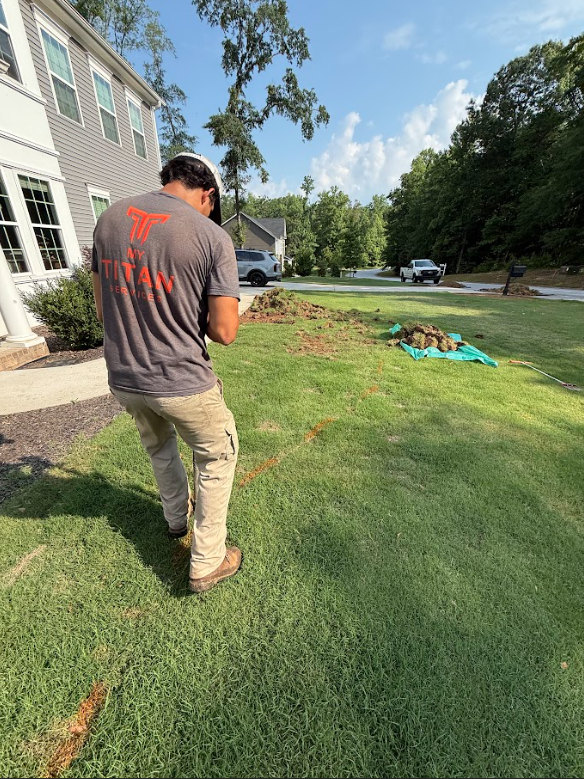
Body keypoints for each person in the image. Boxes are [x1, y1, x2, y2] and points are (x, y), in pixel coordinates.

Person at [91, 153, 241, 594]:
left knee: (159, 447)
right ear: (207, 195)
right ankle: (207, 561)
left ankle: (177, 520)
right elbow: (225, 331)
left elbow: (103, 309)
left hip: (124, 377)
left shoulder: (109, 219)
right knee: (217, 453)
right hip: (180, 380)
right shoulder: (211, 236)